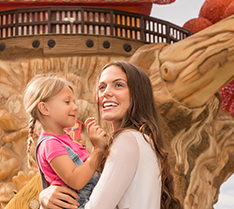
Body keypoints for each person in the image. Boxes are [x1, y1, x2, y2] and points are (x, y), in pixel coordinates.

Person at [39, 61, 182, 209]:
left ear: (137, 94)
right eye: (102, 87)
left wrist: (44, 205)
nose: (106, 92)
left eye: (118, 85)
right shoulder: (142, 140)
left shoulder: (127, 140)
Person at [23, 75, 107, 209]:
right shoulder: (50, 144)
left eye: (74, 102)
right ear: (44, 109)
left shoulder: (66, 140)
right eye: (67, 102)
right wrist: (98, 150)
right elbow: (76, 180)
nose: (75, 107)